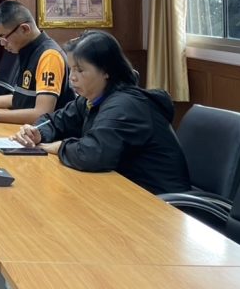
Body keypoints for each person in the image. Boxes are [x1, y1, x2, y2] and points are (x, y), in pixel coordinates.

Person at [11, 31, 191, 195]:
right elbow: (55, 120)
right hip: (122, 191)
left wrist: (57, 147)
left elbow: (92, 154)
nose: (72, 77)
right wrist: (37, 133)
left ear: (106, 71)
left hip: (158, 202)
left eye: (80, 70)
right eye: (71, 68)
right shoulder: (91, 98)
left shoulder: (124, 105)